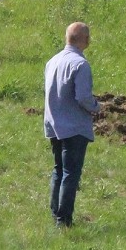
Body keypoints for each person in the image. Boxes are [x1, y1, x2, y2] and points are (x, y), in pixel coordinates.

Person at [43, 22, 100, 228]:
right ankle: (64, 220)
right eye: (88, 36)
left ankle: (55, 213)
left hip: (54, 124)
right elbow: (83, 97)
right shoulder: (80, 65)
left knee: (58, 170)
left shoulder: (52, 61)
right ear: (84, 40)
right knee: (71, 173)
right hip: (74, 127)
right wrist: (97, 107)